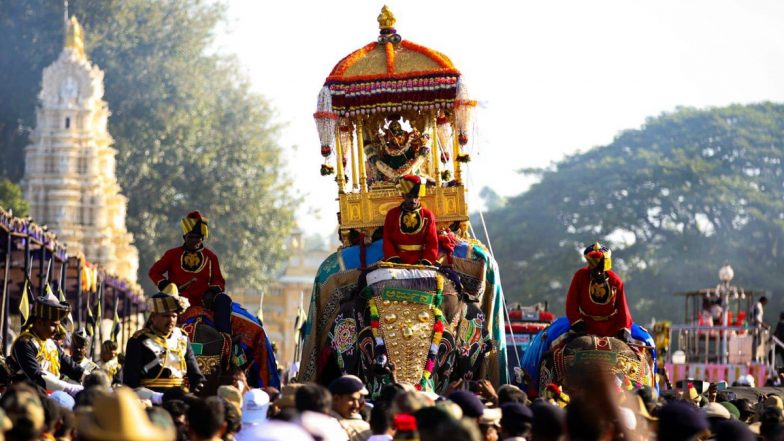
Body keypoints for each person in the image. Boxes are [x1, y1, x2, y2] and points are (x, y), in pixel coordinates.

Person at [148, 211, 231, 334]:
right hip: (179, 299)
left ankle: (225, 337)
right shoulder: (172, 254)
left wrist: (212, 291)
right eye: (190, 237)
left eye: (197, 237)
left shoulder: (210, 257)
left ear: (202, 238)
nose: (194, 241)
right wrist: (167, 286)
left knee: (224, 299)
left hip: (204, 301)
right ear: (184, 237)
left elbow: (219, 281)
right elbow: (154, 272)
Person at [123, 284, 205, 395]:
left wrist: (199, 385)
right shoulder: (138, 340)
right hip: (149, 397)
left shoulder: (182, 338)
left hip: (179, 395)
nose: (171, 320)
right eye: (166, 316)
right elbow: (130, 381)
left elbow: (194, 372)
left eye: (174, 316)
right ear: (153, 317)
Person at [9, 292, 85, 396]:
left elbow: (70, 366)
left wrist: (90, 378)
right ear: (40, 322)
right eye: (54, 325)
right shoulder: (24, 344)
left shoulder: (52, 344)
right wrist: (69, 388)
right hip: (26, 399)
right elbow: (37, 376)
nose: (57, 330)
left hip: (50, 396)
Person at [565, 243, 633, 341]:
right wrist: (577, 322)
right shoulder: (580, 276)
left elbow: (623, 308)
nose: (599, 272)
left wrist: (624, 328)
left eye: (601, 266)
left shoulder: (615, 280)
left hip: (612, 327)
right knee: (559, 343)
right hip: (584, 326)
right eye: (595, 265)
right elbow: (571, 303)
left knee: (642, 343)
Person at [382, 175, 438, 266]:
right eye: (409, 196)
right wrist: (393, 258)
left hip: (421, 260)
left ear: (420, 196)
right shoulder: (392, 214)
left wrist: (426, 260)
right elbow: (387, 239)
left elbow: (432, 242)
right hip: (397, 260)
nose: (413, 200)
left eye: (416, 197)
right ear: (403, 195)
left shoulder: (428, 215)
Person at [328, 375, 371, 441]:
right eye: (352, 399)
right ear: (336, 399)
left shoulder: (363, 428)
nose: (356, 405)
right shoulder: (325, 425)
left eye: (358, 400)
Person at [751, 296, 770, 361]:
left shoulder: (755, 305)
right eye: (765, 303)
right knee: (757, 341)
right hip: (756, 326)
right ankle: (754, 356)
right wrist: (764, 325)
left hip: (755, 326)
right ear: (763, 301)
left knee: (756, 342)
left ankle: (754, 355)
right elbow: (756, 318)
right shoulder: (759, 306)